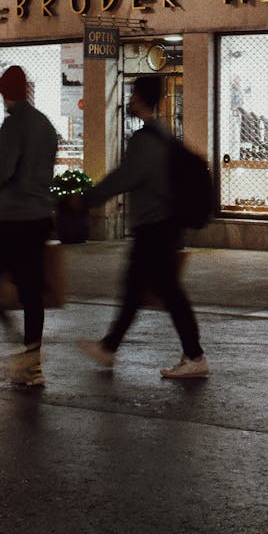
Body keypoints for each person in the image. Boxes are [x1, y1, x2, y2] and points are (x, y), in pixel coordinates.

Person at [78, 73, 208, 379]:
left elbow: (125, 177)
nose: (130, 99)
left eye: (133, 94)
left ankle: (195, 355)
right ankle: (110, 347)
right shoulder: (163, 134)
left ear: (141, 98)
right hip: (163, 226)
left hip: (154, 228)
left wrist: (88, 198)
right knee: (137, 291)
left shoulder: (144, 140)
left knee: (166, 293)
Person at [0, 65, 58, 388]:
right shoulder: (45, 125)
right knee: (31, 292)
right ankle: (33, 363)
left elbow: (4, 167)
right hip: (39, 218)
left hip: (11, 218)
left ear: (6, 93)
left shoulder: (12, 125)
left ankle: (17, 346)